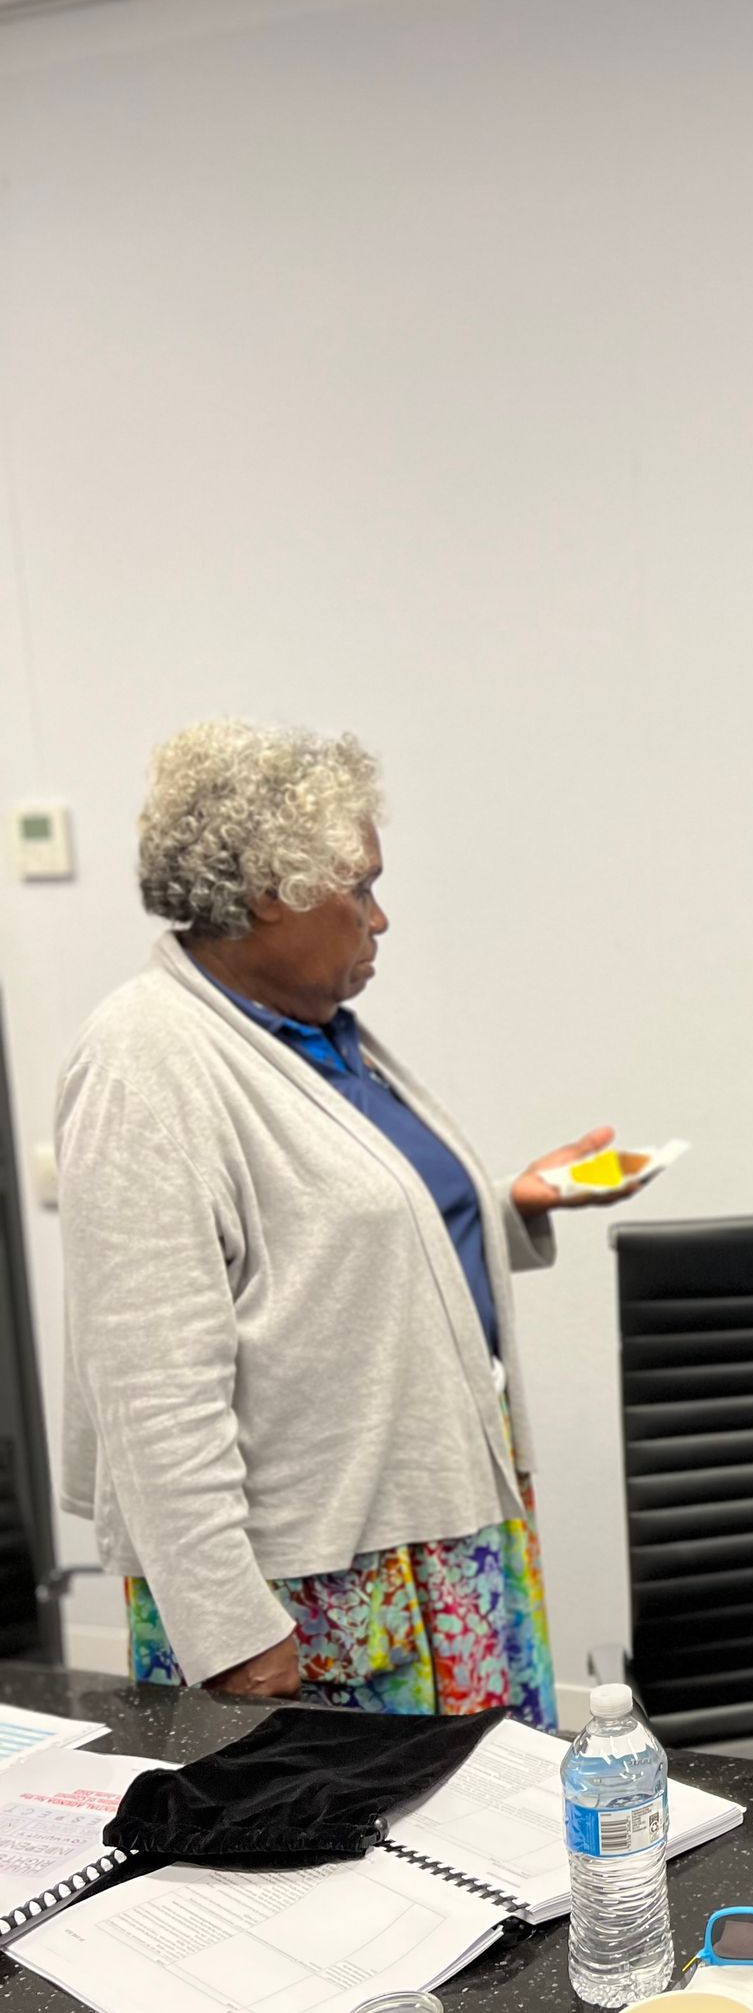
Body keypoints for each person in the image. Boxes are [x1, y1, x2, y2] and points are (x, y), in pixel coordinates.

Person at [57, 719, 636, 1722]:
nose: (379, 918)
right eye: (359, 885)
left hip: (437, 1548)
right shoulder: (144, 1060)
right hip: (313, 1594)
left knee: (490, 1851)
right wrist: (232, 1633)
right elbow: (150, 1391)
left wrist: (501, 1208)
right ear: (268, 895)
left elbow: (325, 1254)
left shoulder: (316, 1035)